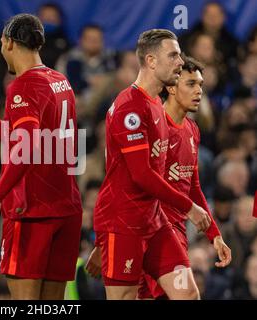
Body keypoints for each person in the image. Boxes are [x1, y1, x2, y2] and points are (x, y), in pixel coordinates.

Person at [0, 14, 83, 300]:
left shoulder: (22, 86)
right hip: (66, 210)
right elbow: (26, 137)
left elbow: (27, 147)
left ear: (8, 42)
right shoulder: (60, 81)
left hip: (31, 212)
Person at [86, 29, 211, 300]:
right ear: (152, 61)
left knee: (187, 294)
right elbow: (141, 175)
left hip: (154, 221)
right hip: (123, 223)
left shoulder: (156, 103)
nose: (180, 62)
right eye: (174, 55)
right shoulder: (129, 107)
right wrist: (189, 207)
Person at [138, 54, 232, 299]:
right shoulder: (155, 126)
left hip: (176, 232)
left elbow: (193, 186)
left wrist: (215, 235)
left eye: (201, 84)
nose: (199, 91)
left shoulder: (192, 129)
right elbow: (139, 181)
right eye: (191, 84)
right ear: (171, 86)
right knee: (187, 295)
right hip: (151, 232)